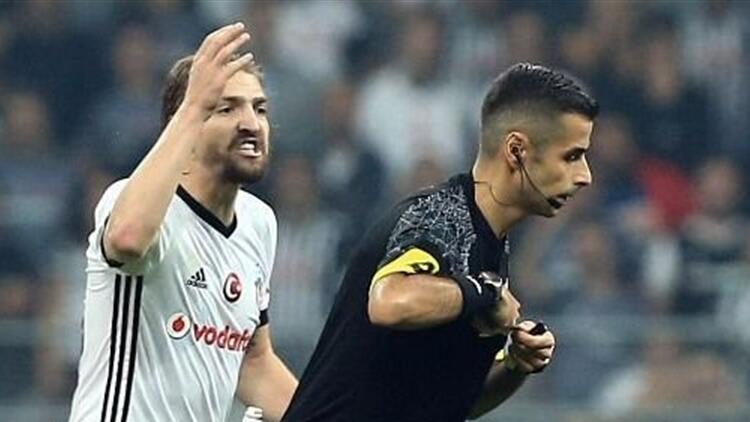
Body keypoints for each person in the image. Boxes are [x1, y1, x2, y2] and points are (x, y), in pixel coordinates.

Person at [281, 63, 598, 422]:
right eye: (572, 156)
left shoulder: (491, 245)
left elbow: (452, 401)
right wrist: (487, 292)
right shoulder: (439, 219)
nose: (584, 176)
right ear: (516, 150)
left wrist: (515, 365)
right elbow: (389, 303)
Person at [67, 23, 297, 422]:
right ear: (185, 122)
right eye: (225, 108)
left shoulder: (259, 223)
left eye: (259, 108)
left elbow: (254, 362)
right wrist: (194, 105)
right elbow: (127, 239)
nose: (251, 123)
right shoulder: (131, 203)